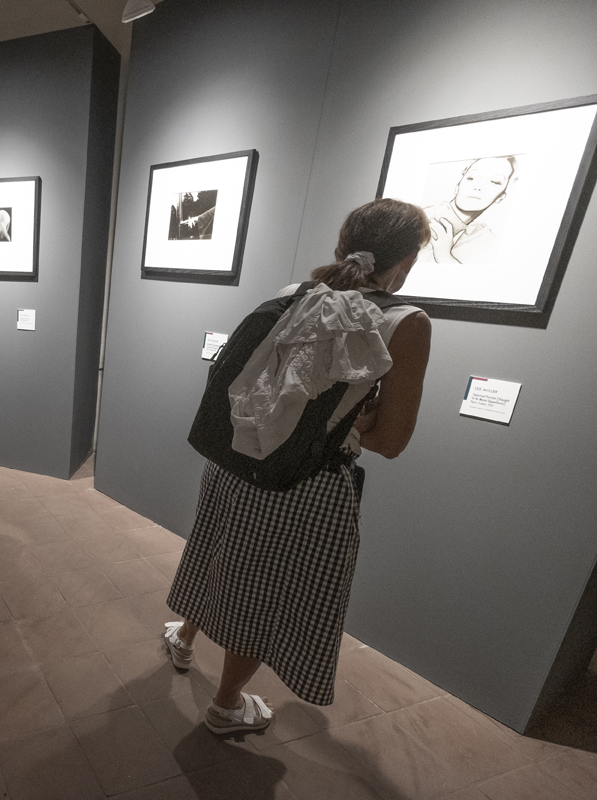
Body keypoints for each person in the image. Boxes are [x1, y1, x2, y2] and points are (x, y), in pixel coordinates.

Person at [162, 199, 433, 734]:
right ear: (402, 264)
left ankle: (185, 638)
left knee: (217, 550)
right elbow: (392, 440)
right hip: (306, 486)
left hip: (236, 460)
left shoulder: (292, 293)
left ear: (343, 246)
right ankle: (225, 707)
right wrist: (360, 416)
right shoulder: (406, 322)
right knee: (267, 591)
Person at [421, 156, 517, 265]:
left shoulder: (484, 236)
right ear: (459, 182)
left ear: (501, 196)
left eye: (494, 182)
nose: (478, 186)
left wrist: (444, 256)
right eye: (472, 178)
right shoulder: (426, 217)